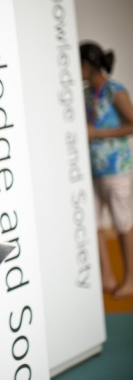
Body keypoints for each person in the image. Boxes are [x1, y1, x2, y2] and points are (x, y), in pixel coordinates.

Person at [81, 41, 133, 300]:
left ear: (87, 65)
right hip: (94, 169)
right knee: (94, 222)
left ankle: (130, 279)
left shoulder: (115, 90)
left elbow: (132, 123)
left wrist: (99, 134)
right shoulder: (87, 92)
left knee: (122, 223)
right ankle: (108, 276)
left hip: (116, 169)